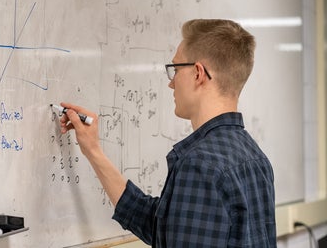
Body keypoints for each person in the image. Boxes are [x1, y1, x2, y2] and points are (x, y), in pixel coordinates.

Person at [58, 19, 276, 247]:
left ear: (198, 73)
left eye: (176, 69)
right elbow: (167, 228)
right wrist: (94, 151)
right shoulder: (256, 158)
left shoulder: (200, 164)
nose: (171, 84)